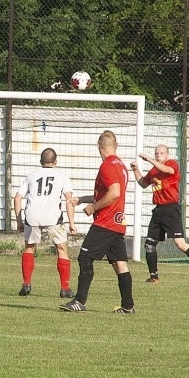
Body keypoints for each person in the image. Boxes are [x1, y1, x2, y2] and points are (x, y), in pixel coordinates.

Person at [60, 130, 135, 314]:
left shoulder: (107, 166)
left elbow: (114, 193)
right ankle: (128, 306)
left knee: (85, 257)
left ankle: (79, 301)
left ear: (98, 146)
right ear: (116, 146)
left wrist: (93, 208)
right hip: (118, 221)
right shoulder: (121, 165)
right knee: (120, 264)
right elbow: (107, 193)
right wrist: (83, 200)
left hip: (105, 221)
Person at [131, 144, 189, 284]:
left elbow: (168, 170)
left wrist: (149, 159)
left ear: (167, 155)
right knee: (149, 244)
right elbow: (143, 183)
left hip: (171, 209)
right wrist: (135, 170)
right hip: (158, 210)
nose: (158, 155)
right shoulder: (154, 170)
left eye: (161, 153)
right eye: (156, 153)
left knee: (180, 244)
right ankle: (154, 276)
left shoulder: (171, 164)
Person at [13, 148, 77, 298]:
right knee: (61, 249)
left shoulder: (32, 175)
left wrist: (19, 221)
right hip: (52, 216)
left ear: (41, 162)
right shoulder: (62, 176)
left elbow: (17, 198)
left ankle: (26, 284)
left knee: (29, 247)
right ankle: (65, 288)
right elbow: (69, 200)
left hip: (32, 215)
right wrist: (72, 222)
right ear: (56, 161)